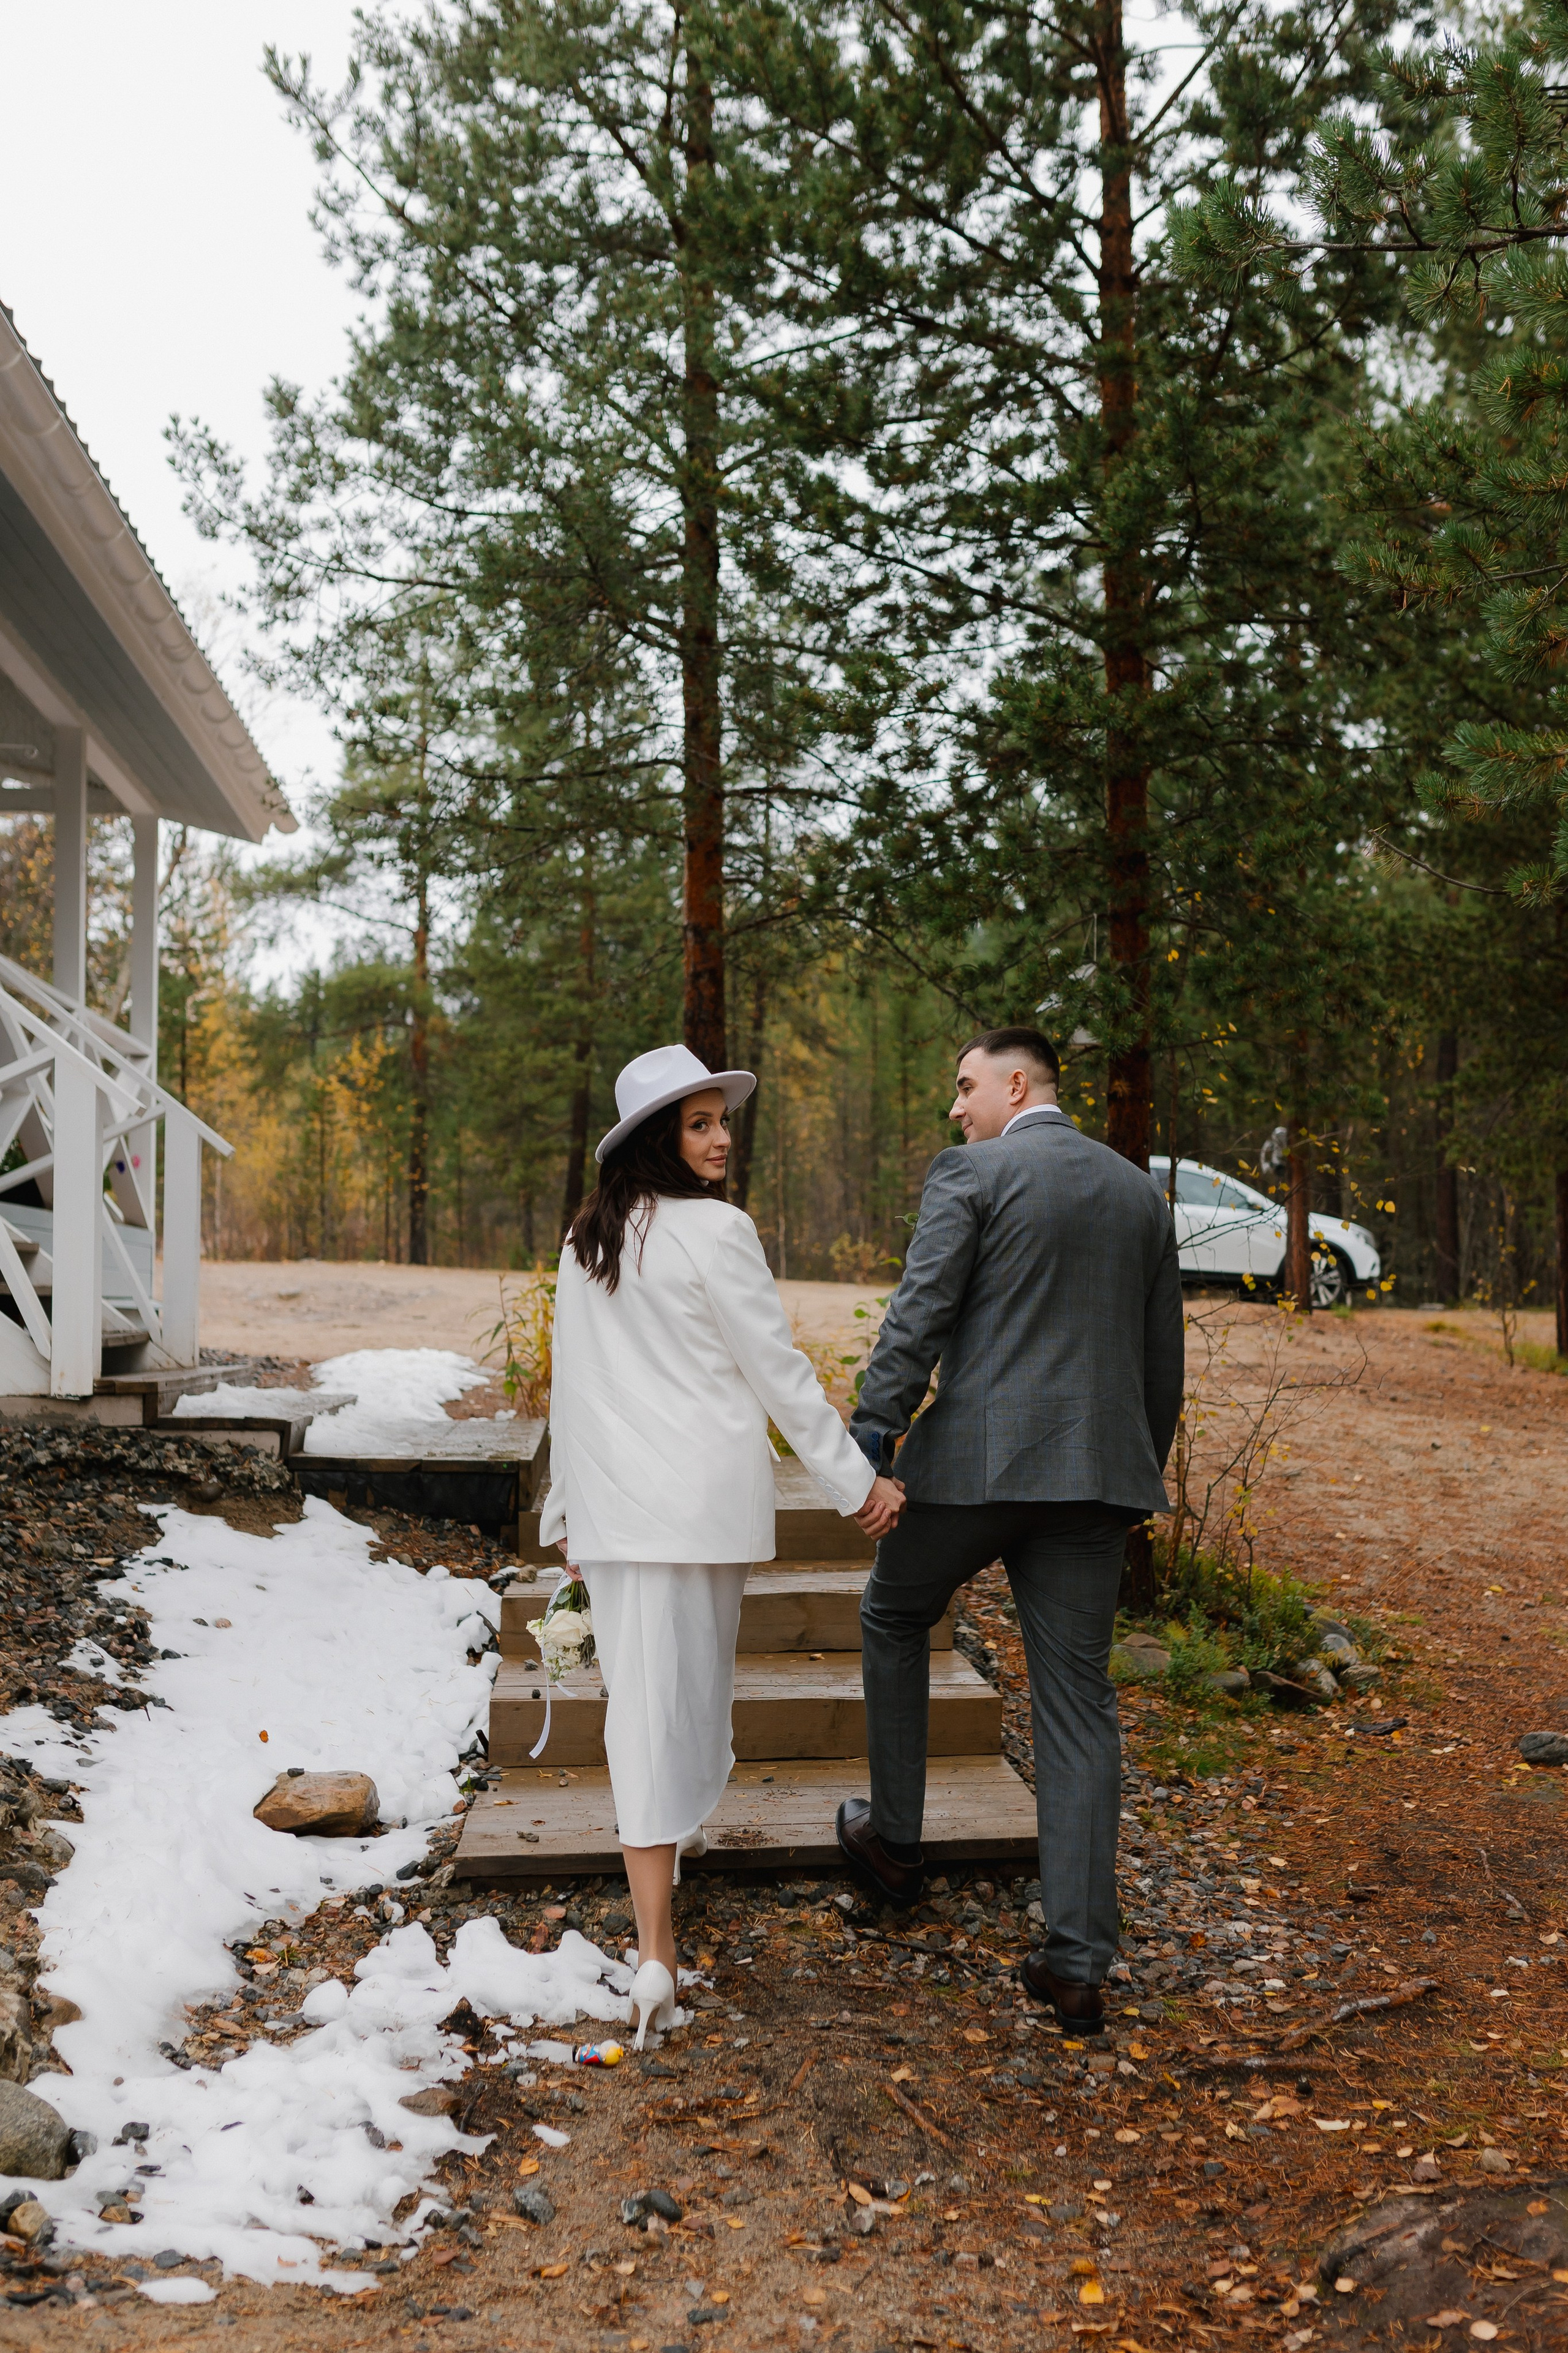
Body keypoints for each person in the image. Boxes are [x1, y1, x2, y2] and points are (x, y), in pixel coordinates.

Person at [540, 1042, 906, 2047]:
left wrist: (566, 1514)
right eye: (698, 1124)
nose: (719, 1139)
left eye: (721, 1121)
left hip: (622, 1512)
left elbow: (568, 1391)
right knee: (680, 1696)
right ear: (660, 1136)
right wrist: (857, 1482)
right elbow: (778, 1372)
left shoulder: (586, 1242)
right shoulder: (719, 1231)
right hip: (693, 1507)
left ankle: (662, 1911)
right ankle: (656, 1946)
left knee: (650, 1702)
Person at [839, 1026, 1183, 2030]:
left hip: (977, 1470)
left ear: (1017, 1083)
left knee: (895, 1614)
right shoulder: (1137, 1196)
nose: (956, 1106)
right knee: (1078, 1703)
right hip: (1097, 1480)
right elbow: (1161, 1365)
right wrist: (1129, 1474)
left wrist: (873, 1434)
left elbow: (920, 1314)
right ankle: (1078, 1963)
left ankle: (895, 1845)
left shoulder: (973, 1173)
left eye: (966, 1085)